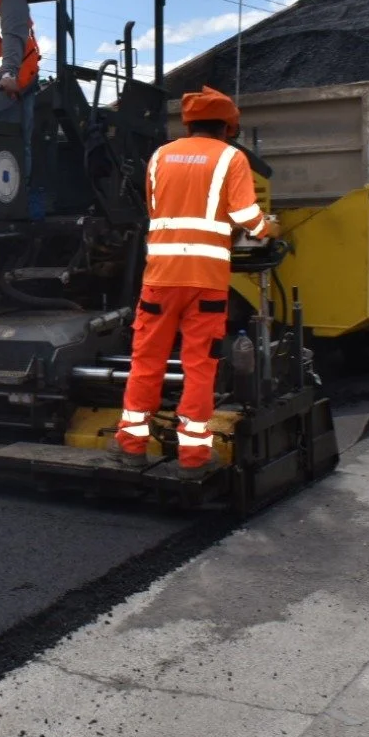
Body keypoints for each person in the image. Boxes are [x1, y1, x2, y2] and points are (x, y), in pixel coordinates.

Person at [112, 88, 278, 474]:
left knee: (147, 362)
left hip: (160, 279)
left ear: (188, 123)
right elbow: (245, 215)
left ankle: (132, 446)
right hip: (206, 282)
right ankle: (193, 458)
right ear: (226, 127)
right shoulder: (231, 158)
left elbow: (159, 211)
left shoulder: (160, 156)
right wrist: (267, 227)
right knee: (199, 367)